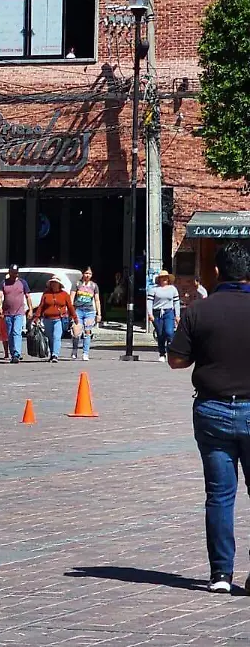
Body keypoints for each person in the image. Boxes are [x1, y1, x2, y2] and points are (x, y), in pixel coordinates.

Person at [168, 242, 250, 594]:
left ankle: (220, 574)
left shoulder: (199, 310)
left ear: (217, 272)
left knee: (219, 494)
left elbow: (176, 360)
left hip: (213, 409)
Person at [32, 275, 77, 364]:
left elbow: (70, 307)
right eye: (52, 283)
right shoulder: (46, 294)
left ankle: (55, 355)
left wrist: (74, 317)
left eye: (55, 283)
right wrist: (36, 317)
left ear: (59, 284)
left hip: (59, 319)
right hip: (47, 319)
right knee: (50, 338)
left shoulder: (64, 295)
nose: (54, 285)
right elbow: (41, 306)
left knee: (57, 337)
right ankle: (52, 353)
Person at [0, 265, 32, 364]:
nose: (14, 274)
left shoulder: (22, 283)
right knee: (10, 333)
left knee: (16, 332)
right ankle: (13, 354)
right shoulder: (3, 283)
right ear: (9, 272)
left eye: (16, 272)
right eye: (12, 272)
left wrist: (31, 309)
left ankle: (16, 353)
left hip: (19, 312)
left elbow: (28, 296)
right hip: (7, 313)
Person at [147, 270, 181, 363]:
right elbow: (149, 302)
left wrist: (177, 315)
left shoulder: (173, 289)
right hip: (157, 312)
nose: (164, 279)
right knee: (160, 334)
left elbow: (176, 302)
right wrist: (150, 314)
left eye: (166, 277)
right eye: (162, 277)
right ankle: (162, 353)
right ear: (159, 279)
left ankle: (172, 350)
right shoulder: (154, 289)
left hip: (168, 312)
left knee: (169, 332)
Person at [70, 267, 101, 361]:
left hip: (89, 311)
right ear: (83, 274)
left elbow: (97, 300)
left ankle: (85, 353)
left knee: (88, 331)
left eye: (90, 274)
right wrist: (71, 311)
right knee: (76, 332)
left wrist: (99, 313)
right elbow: (71, 298)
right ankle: (75, 349)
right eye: (86, 273)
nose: (88, 275)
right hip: (78, 310)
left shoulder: (94, 286)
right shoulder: (77, 284)